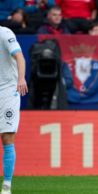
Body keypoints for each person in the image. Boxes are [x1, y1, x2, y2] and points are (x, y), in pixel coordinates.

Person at [0, 26, 28, 194]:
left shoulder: (5, 33)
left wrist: (21, 78)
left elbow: (19, 56)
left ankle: (7, 186)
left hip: (8, 90)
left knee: (7, 136)